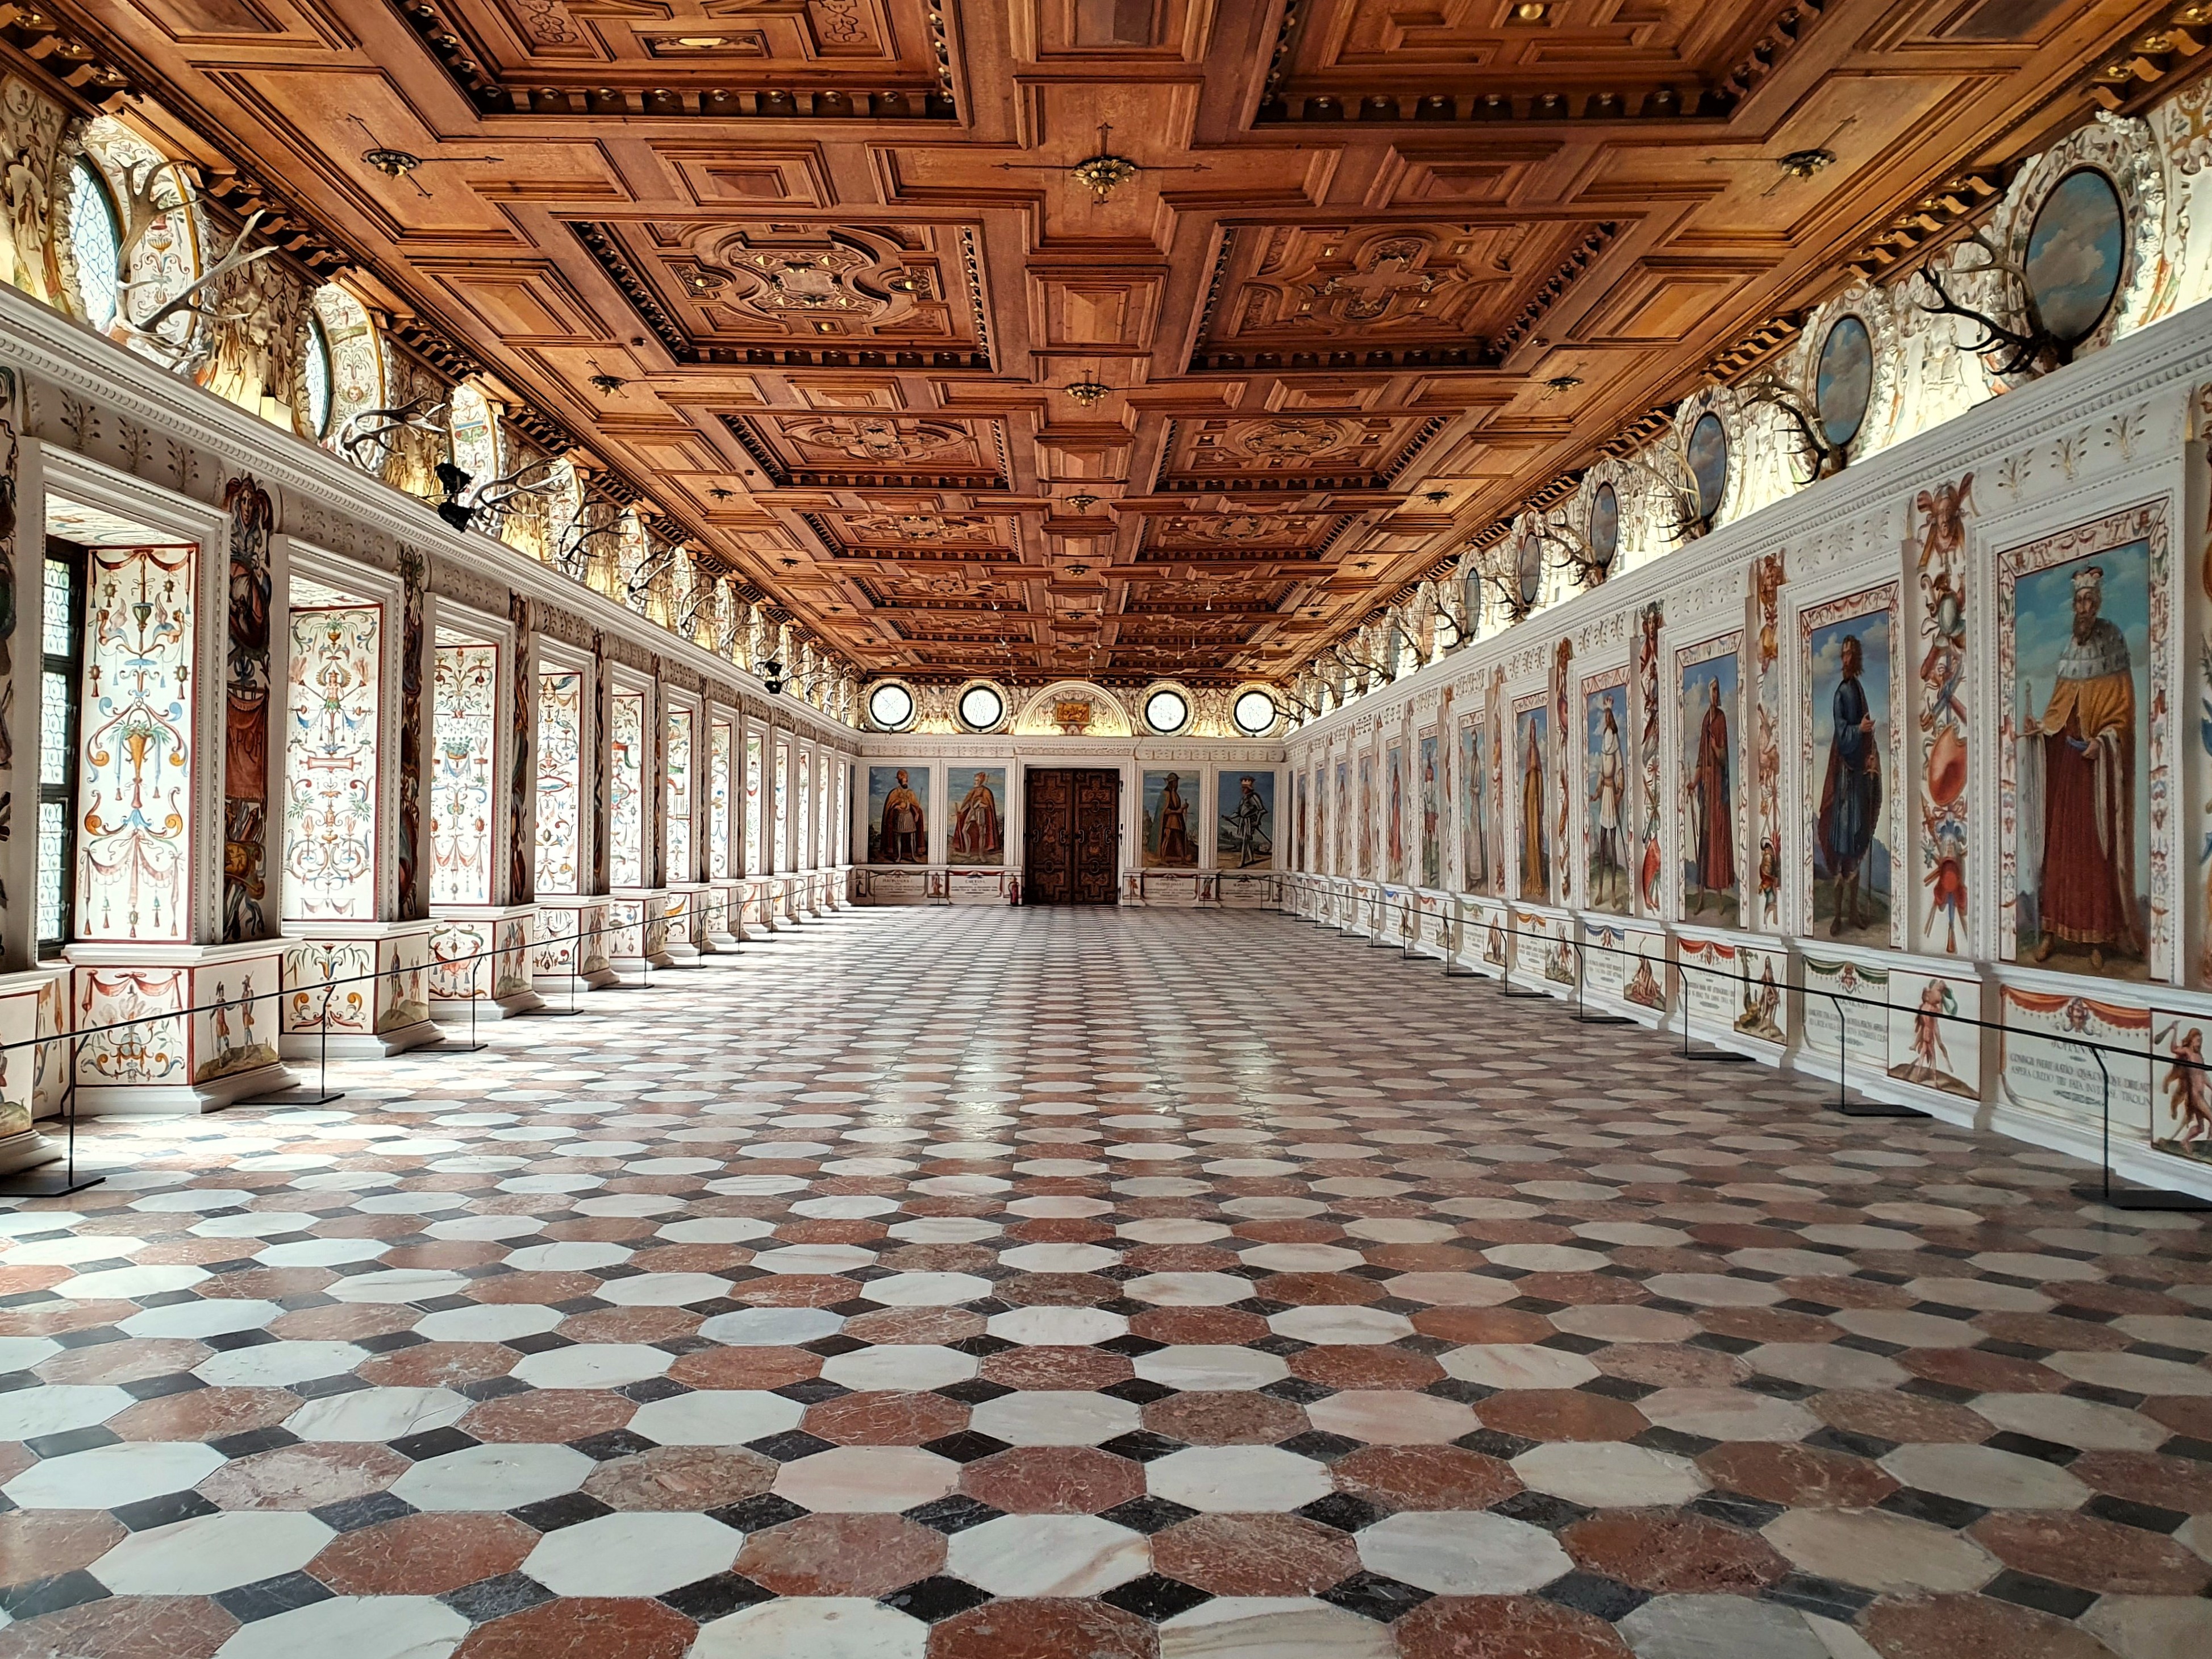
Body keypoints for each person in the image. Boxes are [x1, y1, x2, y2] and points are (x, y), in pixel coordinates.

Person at [2025, 564, 2140, 970]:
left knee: (2094, 855)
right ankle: (2052, 932)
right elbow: (2060, 713)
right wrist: (2040, 729)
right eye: (2079, 601)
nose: (2084, 607)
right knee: (2059, 851)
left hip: (2095, 775)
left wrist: (2103, 741)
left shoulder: (2113, 644)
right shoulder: (2069, 650)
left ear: (2099, 603)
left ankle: (2099, 938)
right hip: (2067, 773)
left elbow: (2122, 717)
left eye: (2090, 600)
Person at [1817, 634, 1882, 934]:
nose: (1846, 659)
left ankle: (1854, 913)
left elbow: (1866, 733)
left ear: (1856, 658)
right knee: (1843, 843)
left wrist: (1870, 757)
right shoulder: (1842, 693)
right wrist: (1860, 729)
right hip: (1844, 778)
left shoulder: (1858, 688)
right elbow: (1842, 732)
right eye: (1843, 654)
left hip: (1857, 779)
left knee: (1856, 842)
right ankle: (1838, 916)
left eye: (1850, 654)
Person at [1688, 677, 1735, 911]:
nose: (1715, 694)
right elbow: (1700, 760)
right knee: (1705, 842)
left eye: (1718, 690)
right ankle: (1701, 897)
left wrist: (1716, 748)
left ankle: (1719, 897)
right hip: (1707, 789)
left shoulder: (1721, 719)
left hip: (1718, 791)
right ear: (1708, 693)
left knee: (1718, 840)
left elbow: (1724, 758)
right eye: (1713, 690)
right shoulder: (1706, 719)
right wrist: (1693, 783)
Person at [1590, 700, 1624, 901]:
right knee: (1603, 844)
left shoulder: (1616, 742)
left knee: (1612, 840)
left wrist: (1620, 791)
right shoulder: (1604, 742)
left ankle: (1613, 893)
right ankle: (1601, 891)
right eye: (1606, 716)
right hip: (1605, 798)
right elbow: (1602, 773)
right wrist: (1596, 793)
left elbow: (1619, 769)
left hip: (1612, 795)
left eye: (1610, 716)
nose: (1607, 719)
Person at [1520, 724, 1546, 898]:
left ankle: (1538, 880)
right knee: (1530, 840)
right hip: (1530, 811)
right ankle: (1532, 877)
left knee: (1536, 839)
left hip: (1535, 810)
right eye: (1531, 730)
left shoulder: (1537, 776)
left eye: (1534, 730)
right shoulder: (1529, 779)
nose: (1533, 733)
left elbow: (1539, 792)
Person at [949, 771, 1002, 860]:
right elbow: (969, 803)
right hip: (971, 812)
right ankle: (967, 852)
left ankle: (981, 854)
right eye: (975, 780)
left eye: (977, 780)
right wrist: (961, 812)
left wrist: (982, 803)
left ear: (982, 781)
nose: (975, 782)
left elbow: (988, 805)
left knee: (982, 834)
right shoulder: (973, 791)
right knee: (964, 831)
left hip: (981, 813)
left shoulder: (986, 792)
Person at [880, 768, 926, 863]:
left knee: (912, 837)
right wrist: (896, 807)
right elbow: (890, 806)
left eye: (906, 781)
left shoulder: (911, 793)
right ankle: (899, 857)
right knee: (898, 837)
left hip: (909, 817)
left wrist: (917, 814)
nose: (905, 783)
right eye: (903, 781)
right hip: (899, 817)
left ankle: (913, 856)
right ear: (900, 781)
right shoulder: (895, 792)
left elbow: (914, 805)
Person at [1223, 775, 1269, 868]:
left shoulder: (1254, 797)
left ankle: (1242, 861)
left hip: (1250, 821)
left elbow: (1262, 810)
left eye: (1244, 788)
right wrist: (1230, 818)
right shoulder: (1244, 799)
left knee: (1245, 841)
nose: (1242, 790)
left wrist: (1257, 822)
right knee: (1246, 840)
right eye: (1242, 788)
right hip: (1243, 821)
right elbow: (1238, 812)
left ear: (1249, 788)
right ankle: (1251, 859)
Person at [1155, 772, 1195, 864]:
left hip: (1177, 821)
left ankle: (1182, 859)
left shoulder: (1175, 794)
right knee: (1167, 838)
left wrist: (1183, 808)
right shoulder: (1165, 794)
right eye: (1175, 782)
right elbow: (1165, 810)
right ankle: (1163, 859)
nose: (1176, 784)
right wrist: (1177, 812)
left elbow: (1177, 808)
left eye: (1177, 782)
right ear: (1171, 783)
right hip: (1169, 821)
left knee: (1178, 840)